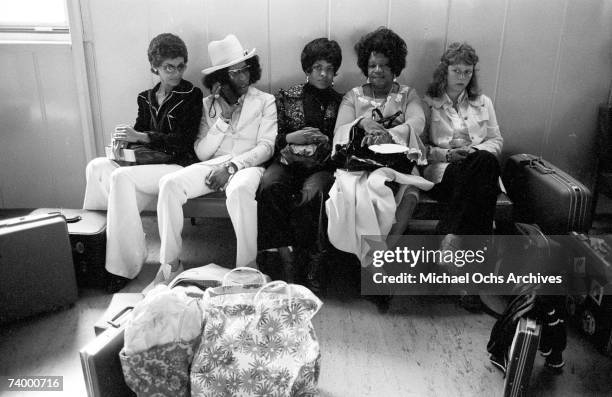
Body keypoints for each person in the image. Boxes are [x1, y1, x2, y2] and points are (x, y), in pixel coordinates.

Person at [83, 33, 203, 288]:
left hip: (176, 165)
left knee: (120, 177)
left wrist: (142, 136)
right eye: (168, 67)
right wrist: (125, 141)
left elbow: (183, 140)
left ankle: (123, 267)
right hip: (147, 165)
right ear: (155, 67)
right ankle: (96, 251)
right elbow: (139, 133)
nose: (176, 72)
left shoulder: (192, 94)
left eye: (180, 65)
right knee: (96, 167)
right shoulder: (145, 97)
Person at [155, 34, 277, 282]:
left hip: (248, 165)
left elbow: (266, 147)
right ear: (221, 79)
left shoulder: (265, 101)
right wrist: (223, 118)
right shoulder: (208, 104)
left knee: (240, 191)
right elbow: (201, 152)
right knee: (169, 184)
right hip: (212, 164)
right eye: (234, 73)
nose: (242, 77)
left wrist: (232, 167)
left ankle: (246, 271)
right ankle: (170, 264)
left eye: (245, 70)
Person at [327, 27, 433, 270]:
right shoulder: (353, 97)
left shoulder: (408, 95)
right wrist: (361, 122)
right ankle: (372, 263)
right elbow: (340, 130)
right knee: (363, 192)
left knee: (409, 195)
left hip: (400, 163)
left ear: (394, 66)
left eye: (384, 65)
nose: (377, 70)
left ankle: (379, 259)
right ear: (366, 66)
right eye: (373, 65)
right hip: (361, 165)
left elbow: (417, 122)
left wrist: (389, 135)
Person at [257, 38, 343, 287]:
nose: (324, 74)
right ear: (307, 69)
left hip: (321, 166)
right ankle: (284, 257)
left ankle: (311, 262)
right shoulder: (285, 96)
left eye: (329, 68)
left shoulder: (341, 102)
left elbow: (343, 139)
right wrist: (291, 137)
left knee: (314, 193)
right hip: (285, 162)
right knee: (270, 185)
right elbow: (270, 137)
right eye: (318, 67)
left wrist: (326, 139)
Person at [422, 42, 503, 255]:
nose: (462, 77)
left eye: (467, 72)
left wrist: (474, 153)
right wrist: (447, 154)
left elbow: (496, 140)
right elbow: (419, 149)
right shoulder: (428, 103)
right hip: (444, 172)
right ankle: (479, 256)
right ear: (444, 71)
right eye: (456, 71)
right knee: (484, 181)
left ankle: (450, 237)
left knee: (483, 161)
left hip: (478, 166)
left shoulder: (484, 102)